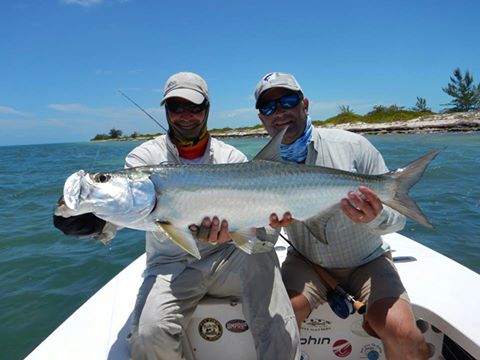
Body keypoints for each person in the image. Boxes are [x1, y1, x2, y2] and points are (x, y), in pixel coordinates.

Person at [54, 72, 300, 360]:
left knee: (263, 263)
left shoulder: (231, 158)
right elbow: (123, 207)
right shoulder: (142, 159)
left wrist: (266, 225)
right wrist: (80, 216)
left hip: (230, 257)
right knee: (148, 335)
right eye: (176, 107)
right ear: (166, 110)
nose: (185, 116)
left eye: (194, 107)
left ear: (207, 109)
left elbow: (259, 235)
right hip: (171, 266)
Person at [253, 72, 429, 359]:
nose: (280, 112)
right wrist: (267, 226)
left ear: (305, 104)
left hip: (368, 260)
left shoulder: (354, 147)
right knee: (277, 321)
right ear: (262, 118)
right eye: (269, 108)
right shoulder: (258, 169)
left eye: (287, 101)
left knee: (405, 335)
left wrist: (374, 217)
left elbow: (398, 222)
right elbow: (263, 241)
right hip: (307, 264)